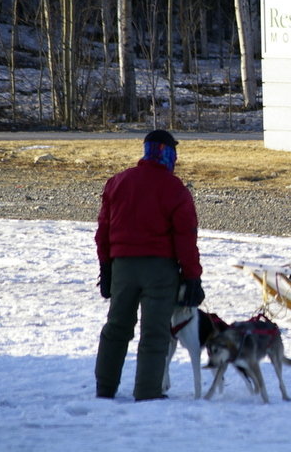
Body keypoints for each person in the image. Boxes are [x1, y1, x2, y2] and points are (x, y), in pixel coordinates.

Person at [94, 129, 205, 400]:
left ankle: (105, 389)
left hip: (122, 267)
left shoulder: (118, 182)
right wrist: (192, 278)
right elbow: (185, 239)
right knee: (155, 333)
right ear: (169, 154)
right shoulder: (175, 189)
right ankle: (147, 392)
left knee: (116, 328)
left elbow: (103, 231)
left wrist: (106, 269)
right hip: (160, 271)